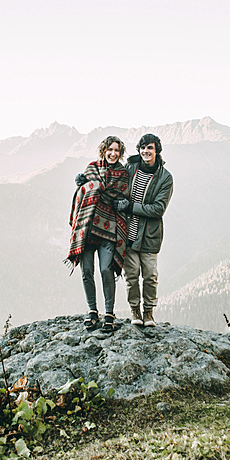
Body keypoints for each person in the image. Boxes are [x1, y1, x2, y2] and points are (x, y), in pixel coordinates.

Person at [67, 136, 130, 332]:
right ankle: (92, 311)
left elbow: (125, 197)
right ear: (103, 150)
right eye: (110, 149)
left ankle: (109, 313)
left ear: (120, 153)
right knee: (86, 271)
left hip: (109, 229)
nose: (113, 153)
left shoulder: (123, 174)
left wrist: (123, 203)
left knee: (105, 269)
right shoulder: (91, 168)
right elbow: (83, 193)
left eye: (117, 151)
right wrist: (81, 185)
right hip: (87, 230)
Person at [115, 133, 173, 328]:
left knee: (150, 276)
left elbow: (158, 209)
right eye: (143, 148)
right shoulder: (131, 168)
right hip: (128, 234)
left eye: (150, 148)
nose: (146, 151)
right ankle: (135, 311)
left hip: (149, 236)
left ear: (157, 150)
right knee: (131, 277)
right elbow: (110, 177)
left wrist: (130, 206)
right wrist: (86, 178)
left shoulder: (165, 178)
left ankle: (148, 313)